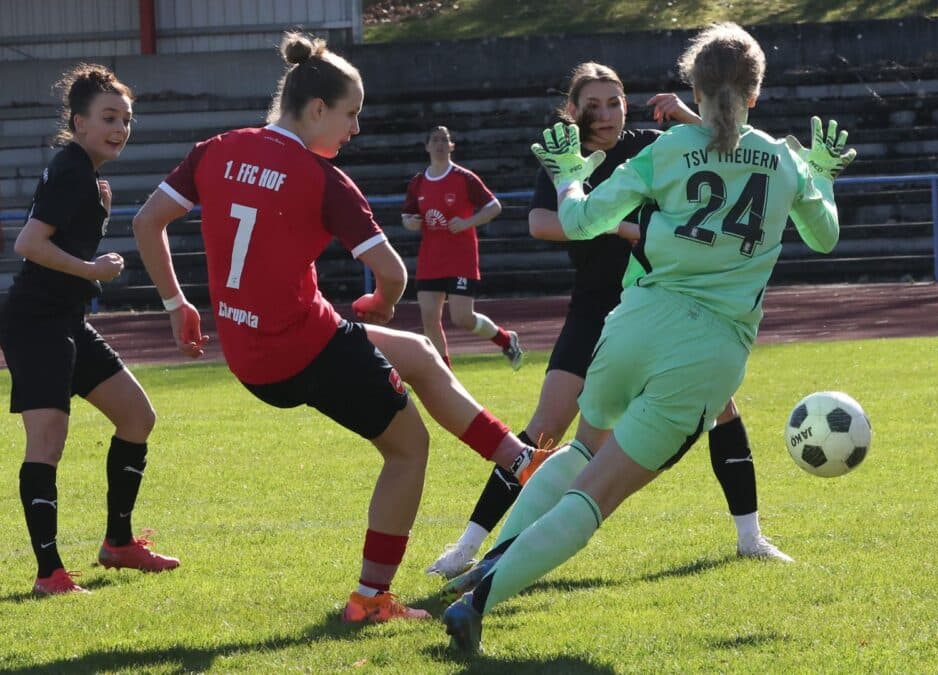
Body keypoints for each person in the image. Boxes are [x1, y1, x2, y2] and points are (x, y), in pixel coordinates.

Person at [442, 22, 855, 652]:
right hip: (710, 347)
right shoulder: (781, 158)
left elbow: (579, 220)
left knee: (581, 452)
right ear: (756, 91)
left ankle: (489, 564)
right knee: (599, 492)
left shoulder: (662, 152)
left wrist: (567, 171)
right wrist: (821, 172)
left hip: (635, 321)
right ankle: (479, 599)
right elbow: (825, 236)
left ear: (693, 84)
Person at [131, 32, 550, 623]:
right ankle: (370, 599)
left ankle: (518, 461)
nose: (355, 129)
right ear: (318, 109)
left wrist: (177, 303)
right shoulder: (323, 179)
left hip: (250, 348)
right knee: (408, 450)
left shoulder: (217, 148)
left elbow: (148, 222)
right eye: (351, 114)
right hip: (303, 350)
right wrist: (379, 303)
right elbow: (393, 274)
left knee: (422, 355)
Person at [425, 60, 790, 580]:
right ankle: (470, 545)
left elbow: (726, 140)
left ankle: (751, 536)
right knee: (546, 428)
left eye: (613, 102)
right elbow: (541, 223)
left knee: (722, 411)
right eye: (591, 105)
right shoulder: (563, 156)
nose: (605, 114)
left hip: (659, 305)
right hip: (598, 305)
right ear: (572, 111)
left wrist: (687, 108)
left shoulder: (650, 144)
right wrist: (617, 227)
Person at [0, 64, 181, 596]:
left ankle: (118, 545)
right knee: (47, 442)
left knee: (137, 416)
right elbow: (28, 245)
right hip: (36, 324)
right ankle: (48, 574)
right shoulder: (73, 168)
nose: (120, 128)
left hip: (67, 322)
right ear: (78, 122)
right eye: (108, 117)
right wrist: (94, 270)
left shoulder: (85, 173)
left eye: (126, 119)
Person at [402, 126, 524, 370]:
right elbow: (408, 216)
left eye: (444, 140)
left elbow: (494, 206)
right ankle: (446, 376)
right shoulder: (418, 183)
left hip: (461, 258)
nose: (439, 144)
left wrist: (468, 222)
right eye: (434, 140)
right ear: (426, 146)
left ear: (452, 146)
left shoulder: (464, 178)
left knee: (462, 318)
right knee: (429, 320)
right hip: (431, 259)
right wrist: (410, 223)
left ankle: (505, 339)